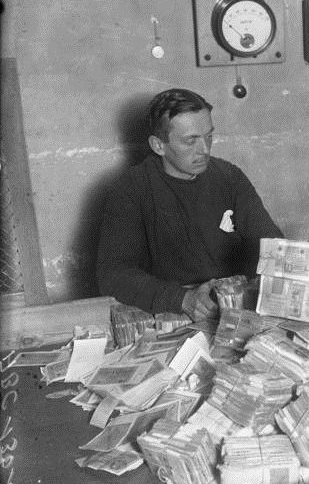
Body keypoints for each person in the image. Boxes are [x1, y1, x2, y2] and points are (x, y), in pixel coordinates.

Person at [96, 88, 283, 320]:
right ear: (158, 145)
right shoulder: (130, 189)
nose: (204, 150)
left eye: (209, 137)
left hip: (232, 308)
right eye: (190, 141)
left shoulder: (229, 177)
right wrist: (181, 299)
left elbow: (271, 242)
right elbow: (113, 275)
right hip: (171, 311)